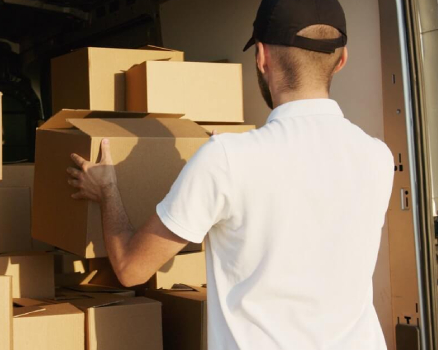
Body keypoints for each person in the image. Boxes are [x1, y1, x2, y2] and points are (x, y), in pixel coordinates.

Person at [65, 0, 394, 348]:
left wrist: (107, 190)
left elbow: (132, 268)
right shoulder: (377, 156)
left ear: (262, 57)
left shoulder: (226, 160)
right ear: (341, 59)